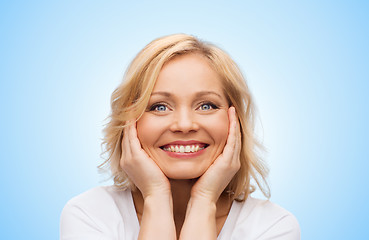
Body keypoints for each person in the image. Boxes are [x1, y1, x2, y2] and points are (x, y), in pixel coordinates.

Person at [60, 34, 300, 240]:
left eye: (206, 106)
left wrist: (204, 201)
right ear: (129, 123)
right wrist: (155, 197)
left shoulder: (273, 226)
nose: (184, 125)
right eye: (159, 107)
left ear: (234, 121)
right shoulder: (89, 214)